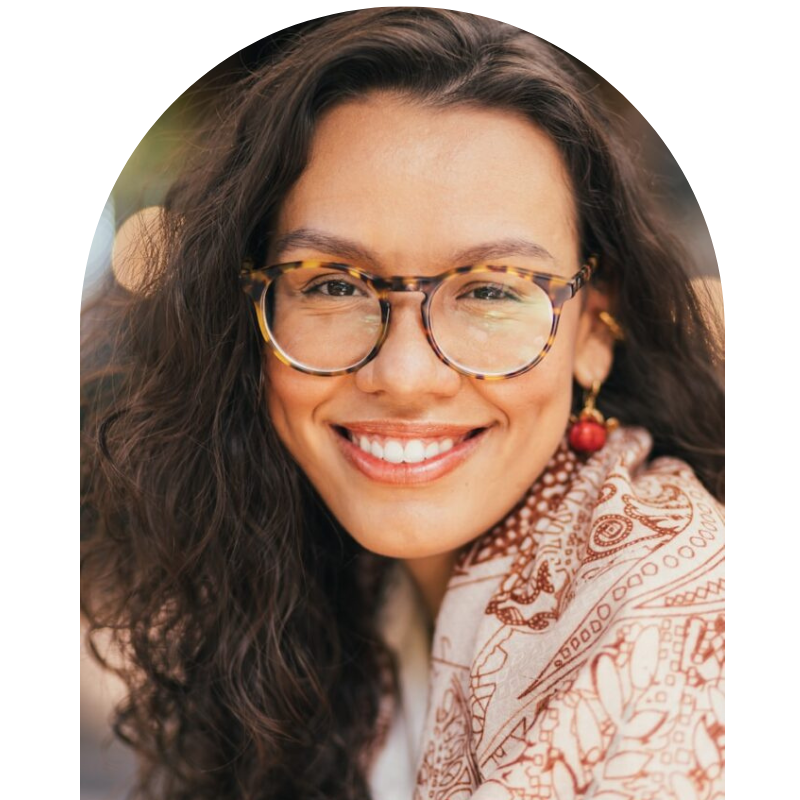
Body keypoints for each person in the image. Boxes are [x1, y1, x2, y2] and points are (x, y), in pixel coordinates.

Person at [80, 9, 725, 800]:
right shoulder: (320, 594)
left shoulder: (669, 640)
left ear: (593, 330)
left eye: (490, 288)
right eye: (334, 284)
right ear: (247, 318)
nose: (407, 373)